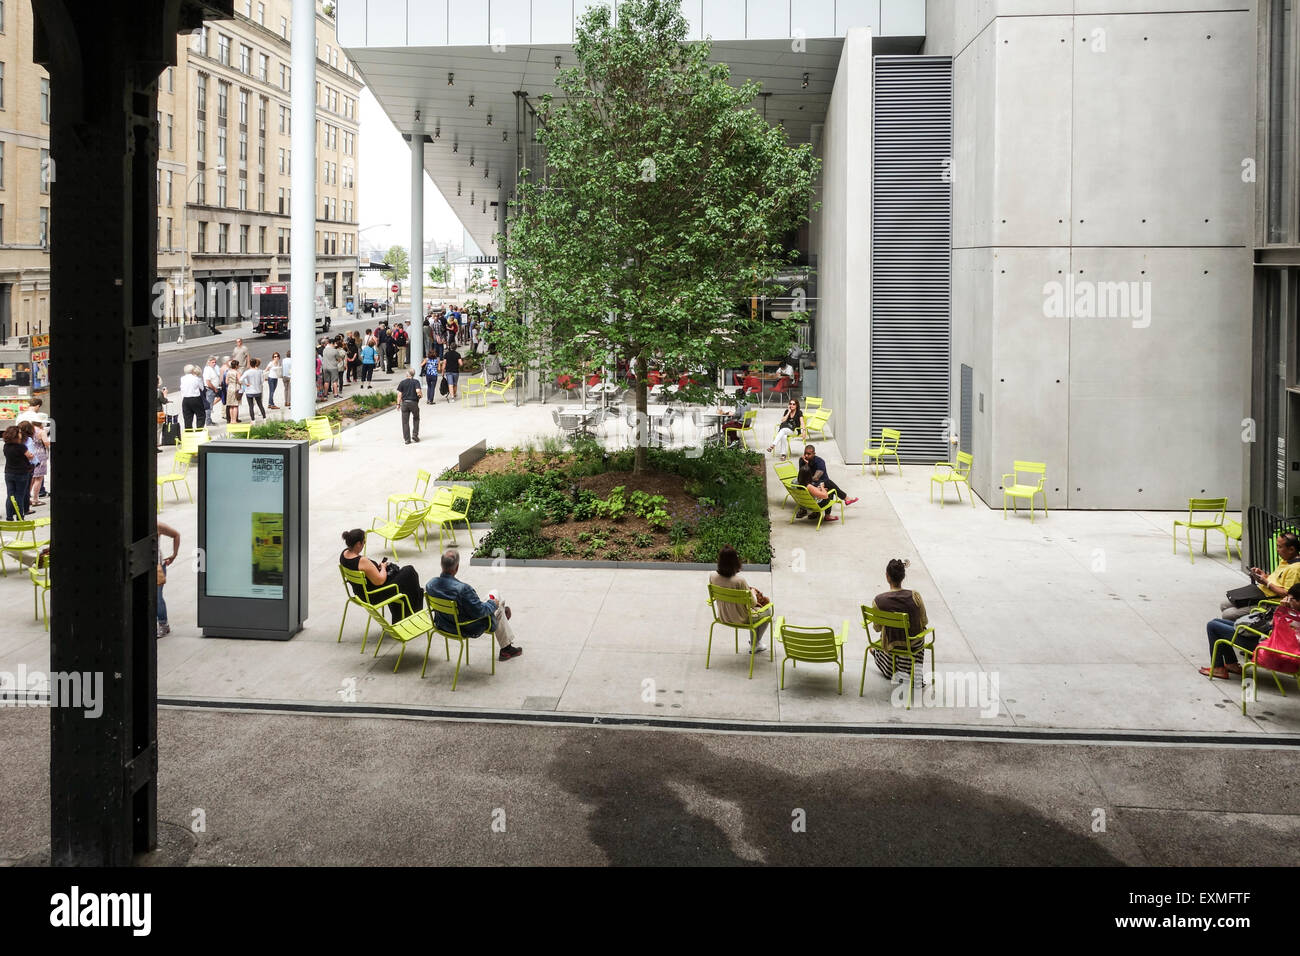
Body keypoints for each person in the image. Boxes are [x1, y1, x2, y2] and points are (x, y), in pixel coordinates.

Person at [425, 549, 523, 661]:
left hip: (443, 624)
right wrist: (493, 604)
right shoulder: (463, 590)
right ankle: (506, 648)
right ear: (457, 567)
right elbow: (480, 612)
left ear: (441, 565)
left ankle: (502, 615)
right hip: (466, 627)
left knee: (495, 600)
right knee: (497, 602)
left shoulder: (431, 584)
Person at [1202, 582, 1300, 679]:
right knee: (1217, 622)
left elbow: (1275, 629)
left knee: (1212, 626)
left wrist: (1282, 610)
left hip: (1267, 647)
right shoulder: (1294, 614)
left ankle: (1218, 668)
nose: (1288, 601)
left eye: (1291, 599)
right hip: (1266, 639)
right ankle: (1231, 664)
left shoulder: (1294, 618)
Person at [339, 528, 424, 623]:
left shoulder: (344, 555)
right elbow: (380, 581)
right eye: (364, 542)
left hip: (360, 594)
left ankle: (402, 615)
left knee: (404, 578)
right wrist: (383, 567)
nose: (364, 544)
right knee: (409, 571)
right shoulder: (361, 561)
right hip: (373, 596)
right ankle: (413, 612)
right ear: (358, 544)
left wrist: (376, 569)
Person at [869, 558, 929, 682]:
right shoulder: (915, 595)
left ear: (887, 576)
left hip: (893, 643)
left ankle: (888, 668)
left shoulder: (878, 601)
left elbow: (877, 628)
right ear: (903, 576)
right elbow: (924, 621)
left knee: (885, 636)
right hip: (913, 644)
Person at [1218, 531, 1300, 621]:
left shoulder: (1295, 569)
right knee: (1224, 604)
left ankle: (1241, 631)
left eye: (1279, 547)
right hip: (1259, 592)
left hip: (1269, 601)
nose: (1277, 549)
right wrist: (1264, 575)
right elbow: (1278, 580)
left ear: (1291, 549)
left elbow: (1287, 593)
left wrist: (1266, 583)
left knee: (1228, 614)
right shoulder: (1286, 560)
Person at [709, 545, 773, 654]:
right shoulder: (739, 581)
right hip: (741, 618)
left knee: (754, 614)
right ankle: (755, 643)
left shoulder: (712, 576)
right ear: (735, 561)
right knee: (767, 611)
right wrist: (752, 592)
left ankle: (755, 643)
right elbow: (753, 603)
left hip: (724, 616)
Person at [795, 445, 858, 518]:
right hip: (814, 484)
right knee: (830, 485)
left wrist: (815, 483)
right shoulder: (802, 460)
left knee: (828, 484)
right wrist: (806, 464)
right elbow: (804, 474)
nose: (806, 455)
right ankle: (845, 499)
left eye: (809, 454)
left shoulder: (820, 462)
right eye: (805, 453)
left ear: (814, 454)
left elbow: (814, 477)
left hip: (818, 483)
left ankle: (818, 513)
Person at [156, 521, 180, 638]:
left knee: (157, 597)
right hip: (144, 566)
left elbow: (176, 535)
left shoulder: (157, 525)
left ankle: (163, 624)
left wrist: (174, 555)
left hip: (157, 567)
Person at [3, 425, 33, 519]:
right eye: (19, 432)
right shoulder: (21, 447)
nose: (21, 434)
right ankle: (20, 516)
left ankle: (9, 516)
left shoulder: (6, 446)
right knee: (19, 495)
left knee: (10, 495)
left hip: (8, 472)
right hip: (21, 473)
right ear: (16, 435)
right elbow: (30, 456)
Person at [23, 421, 47, 511]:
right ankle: (35, 499)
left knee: (32, 479)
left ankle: (27, 498)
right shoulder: (41, 431)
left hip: (32, 454)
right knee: (39, 478)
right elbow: (46, 443)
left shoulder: (31, 432)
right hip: (40, 455)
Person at [396, 369, 422, 444]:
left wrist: (398, 404)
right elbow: (418, 391)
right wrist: (419, 395)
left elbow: (399, 394)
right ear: (413, 375)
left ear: (407, 374)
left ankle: (407, 439)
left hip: (405, 403)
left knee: (405, 422)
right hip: (413, 403)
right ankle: (415, 435)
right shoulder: (416, 382)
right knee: (416, 418)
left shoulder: (402, 382)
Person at [179, 364, 205, 430]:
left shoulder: (182, 379)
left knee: (187, 417)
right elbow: (202, 388)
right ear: (193, 370)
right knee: (200, 415)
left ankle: (188, 431)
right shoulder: (196, 379)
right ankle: (199, 430)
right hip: (195, 398)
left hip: (186, 399)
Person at [202, 356, 221, 425]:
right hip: (210, 389)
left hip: (213, 389)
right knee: (209, 406)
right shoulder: (208, 370)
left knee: (210, 405)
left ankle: (209, 420)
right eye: (213, 362)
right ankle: (208, 421)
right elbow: (208, 382)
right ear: (209, 362)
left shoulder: (212, 369)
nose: (214, 364)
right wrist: (214, 388)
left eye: (215, 362)